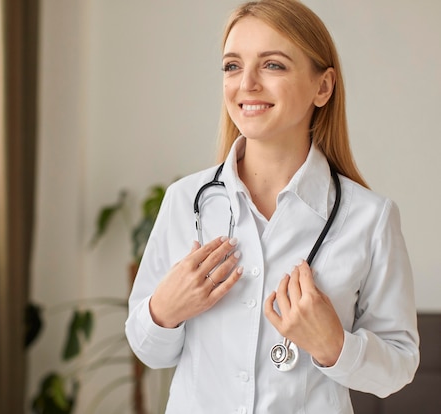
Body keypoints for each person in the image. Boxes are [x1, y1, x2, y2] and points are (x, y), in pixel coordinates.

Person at [124, 0, 420, 413]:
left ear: (323, 87)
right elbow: (149, 351)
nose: (246, 83)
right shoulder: (185, 201)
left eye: (273, 65)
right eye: (232, 66)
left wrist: (335, 346)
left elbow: (400, 365)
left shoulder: (370, 218)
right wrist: (163, 311)